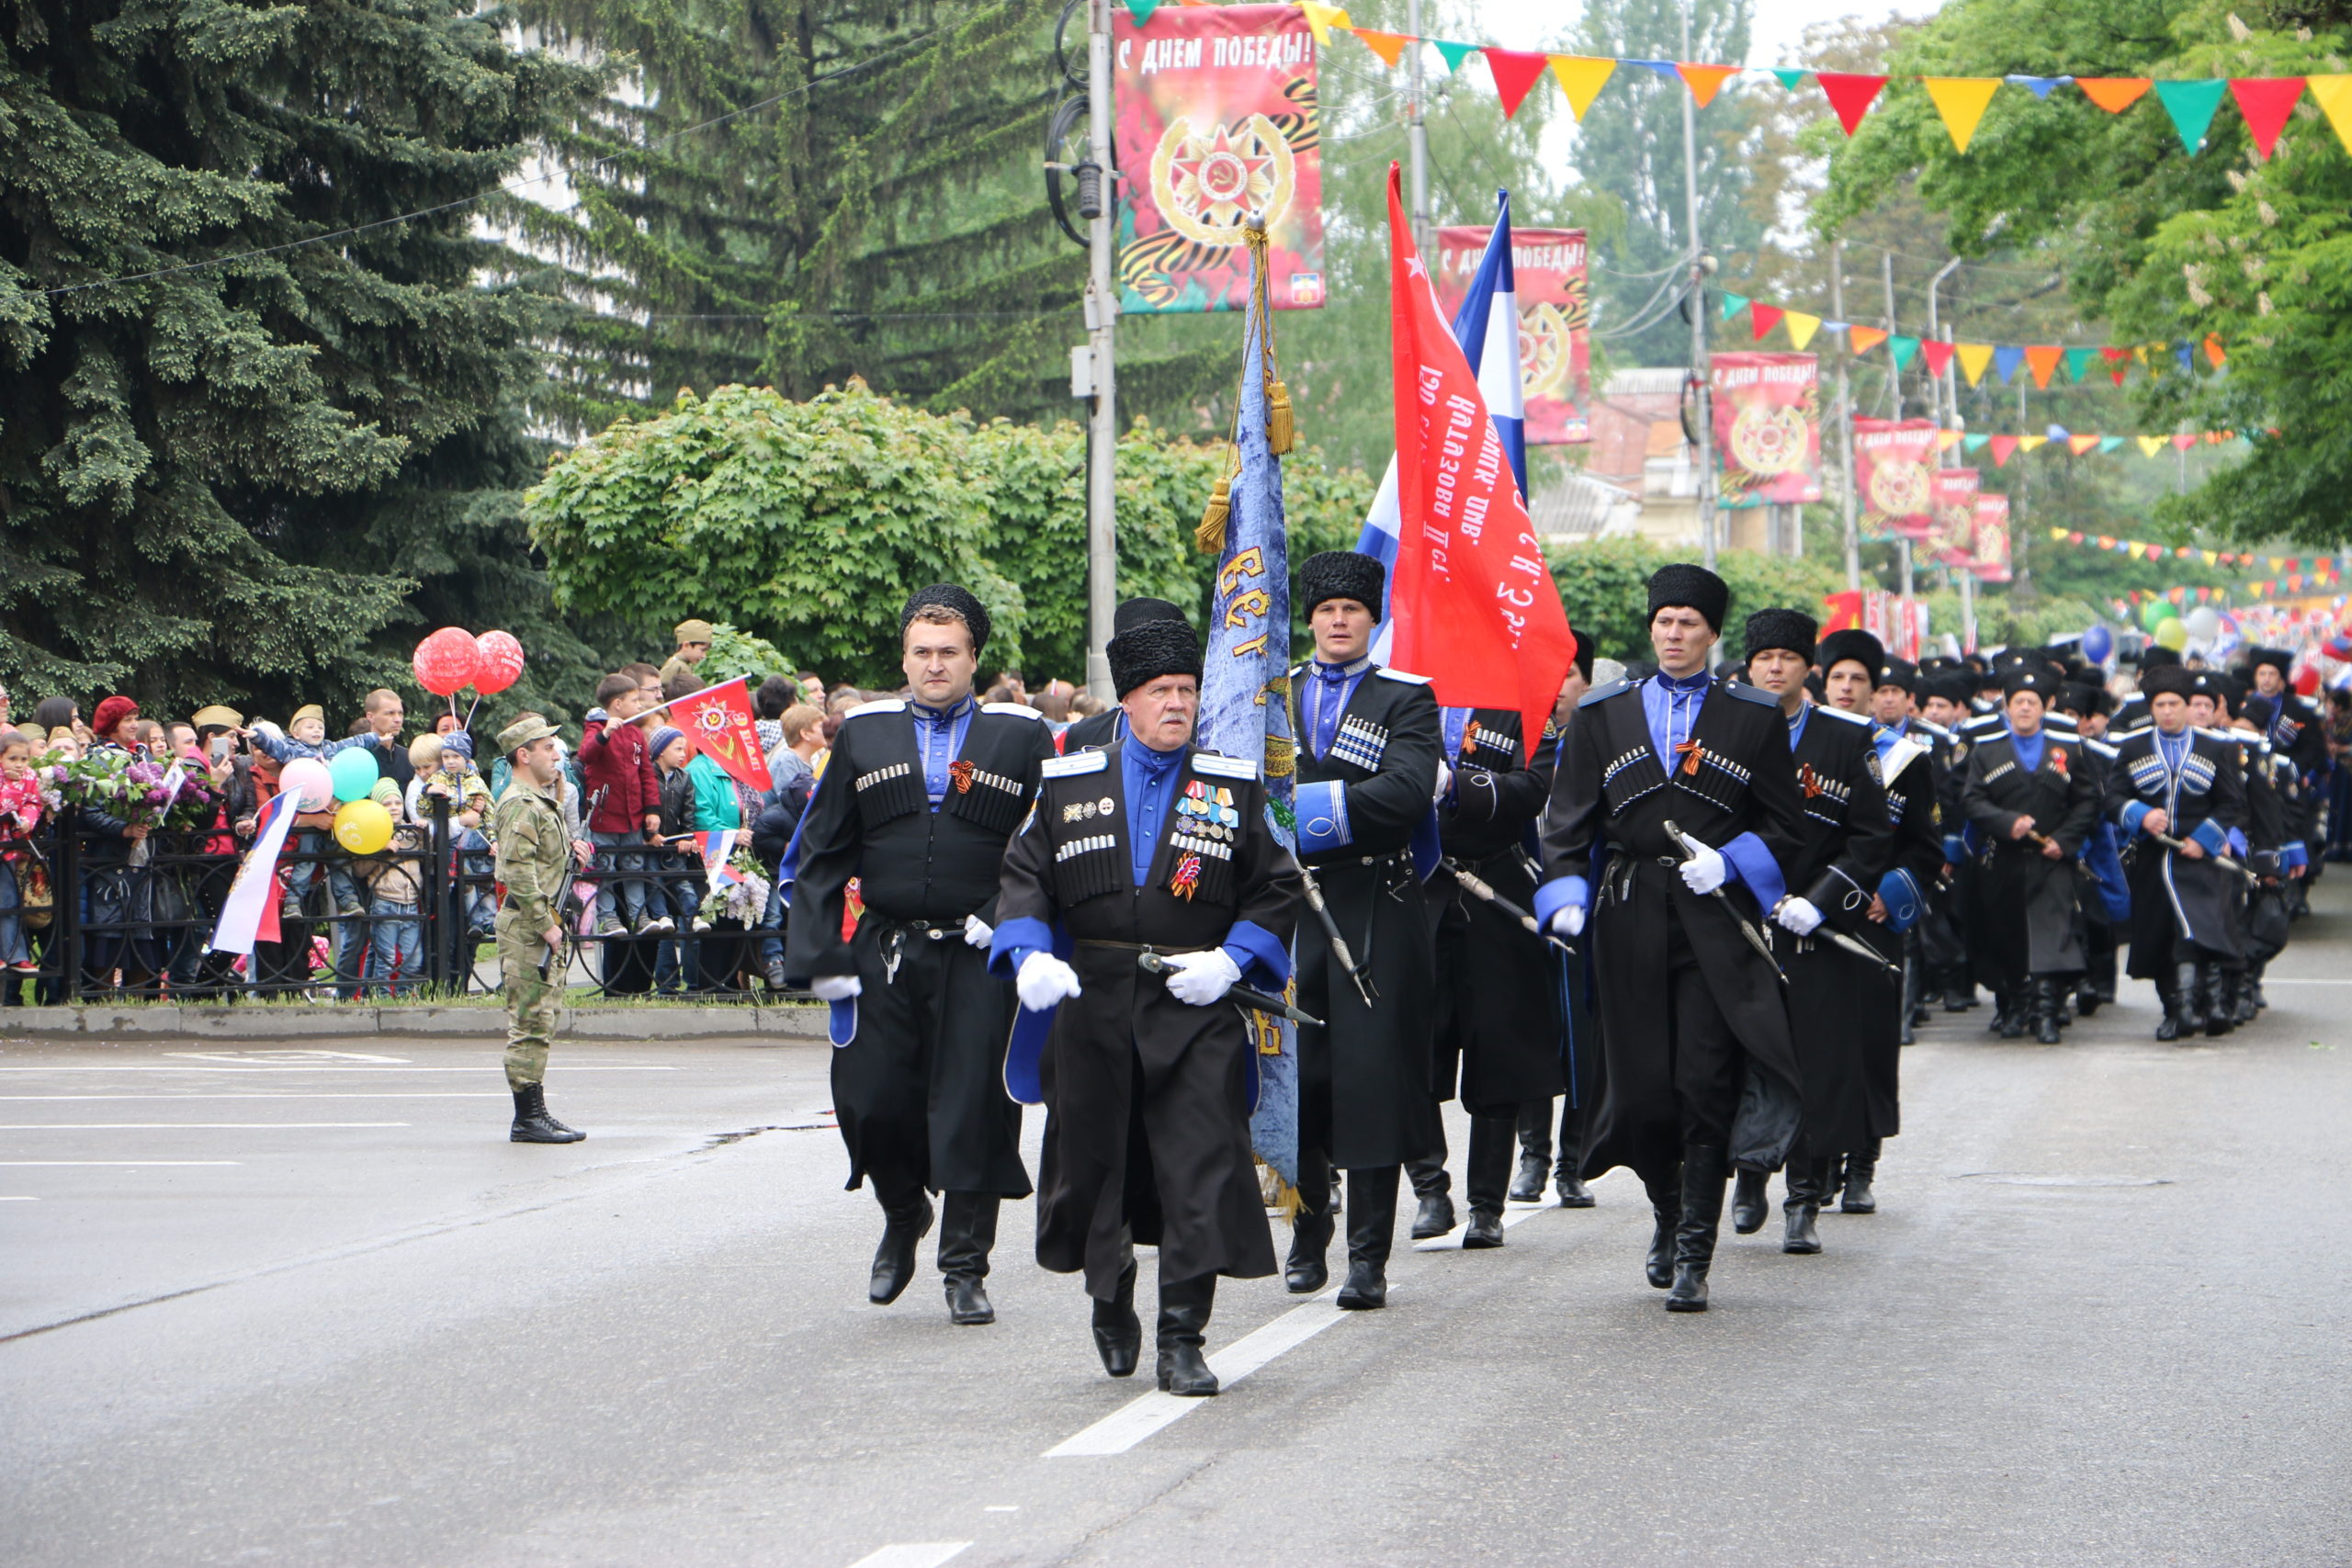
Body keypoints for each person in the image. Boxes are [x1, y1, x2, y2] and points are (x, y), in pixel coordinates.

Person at [989, 611, 1301, 1394]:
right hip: (1093, 1007)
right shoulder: (1069, 781)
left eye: (1187, 690)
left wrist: (1231, 962)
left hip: (1190, 1006)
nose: (1177, 704)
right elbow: (1025, 875)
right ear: (1125, 701)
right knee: (1100, 1168)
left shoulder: (1228, 785)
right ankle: (1112, 1288)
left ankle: (1182, 1335)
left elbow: (1275, 887)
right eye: (1160, 691)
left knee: (1198, 1166)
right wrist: (1028, 955)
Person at [1533, 564, 1806, 1313]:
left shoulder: (1753, 716)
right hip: (1629, 916)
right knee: (1646, 1093)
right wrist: (1564, 898)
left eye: (1690, 622)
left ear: (1714, 633)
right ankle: (1665, 1209)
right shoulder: (1602, 713)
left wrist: (1733, 860)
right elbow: (1566, 824)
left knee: (1703, 1084)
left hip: (1713, 920)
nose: (1676, 633)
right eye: (1665, 621)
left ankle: (1695, 1248)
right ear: (1651, 628)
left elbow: (1788, 825)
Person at [785, 585, 1056, 1325]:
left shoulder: (1022, 734)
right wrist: (817, 952)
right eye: (922, 652)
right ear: (903, 658)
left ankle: (965, 1267)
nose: (935, 665)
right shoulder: (863, 734)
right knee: (869, 1099)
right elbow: (820, 853)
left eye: (950, 652)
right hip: (886, 949)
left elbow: (1046, 848)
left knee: (973, 1105)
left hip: (978, 954)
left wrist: (1002, 918)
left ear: (974, 658)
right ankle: (904, 1211)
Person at [1283, 550, 1443, 1309]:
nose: (1339, 620)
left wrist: (1303, 817)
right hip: (1288, 907)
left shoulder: (1406, 697)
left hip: (1376, 901)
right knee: (1301, 1078)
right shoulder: (1269, 695)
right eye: (1326, 609)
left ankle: (1368, 1257)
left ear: (1372, 618)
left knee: (1372, 1083)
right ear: (1309, 617)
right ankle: (1308, 1228)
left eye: (1353, 609)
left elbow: (1408, 791)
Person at [1732, 617, 1893, 1251]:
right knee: (1745, 1054)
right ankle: (1749, 1170)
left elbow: (1871, 836)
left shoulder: (1847, 738)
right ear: (1748, 666)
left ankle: (1804, 1197)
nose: (1775, 668)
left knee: (1816, 1060)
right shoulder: (1725, 727)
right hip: (1743, 918)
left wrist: (1823, 903)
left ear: (1809, 670)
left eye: (1788, 658)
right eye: (1764, 657)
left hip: (1814, 927)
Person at [1409, 671, 1566, 1250]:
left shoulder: (1520, 700)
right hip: (1418, 887)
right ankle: (1430, 1188)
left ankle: (1486, 1205)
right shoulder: (1403, 693)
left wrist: (1457, 783)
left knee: (1498, 1050)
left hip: (1495, 885)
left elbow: (1535, 785)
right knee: (1414, 1046)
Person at [1960, 667, 2098, 1043]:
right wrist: (2006, 822)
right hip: (2003, 859)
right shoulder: (1987, 751)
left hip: (2051, 858)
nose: (2024, 708)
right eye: (2017, 701)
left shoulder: (2066, 749)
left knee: (2051, 938)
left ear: (2045, 707)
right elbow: (1971, 800)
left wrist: (2065, 841)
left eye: (2032, 703)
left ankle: (2046, 1014)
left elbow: (2086, 802)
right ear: (2006, 706)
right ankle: (2015, 1007)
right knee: (2007, 936)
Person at [1510, 639, 1600, 1210]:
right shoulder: (1512, 743)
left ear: (1585, 684)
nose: (1557, 684)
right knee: (1527, 1037)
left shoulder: (1601, 743)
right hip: (1516, 907)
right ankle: (1532, 1155)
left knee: (1580, 1039)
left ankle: (1572, 1161)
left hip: (1580, 913)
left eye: (1567, 674)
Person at [492, 716, 585, 1143]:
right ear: (524, 755)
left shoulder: (540, 800)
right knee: (529, 1023)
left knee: (542, 1021)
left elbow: (543, 863)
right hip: (529, 926)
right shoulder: (521, 803)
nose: (557, 754)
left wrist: (572, 852)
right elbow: (517, 871)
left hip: (539, 923)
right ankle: (526, 1118)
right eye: (548, 747)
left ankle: (537, 1112)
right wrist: (546, 923)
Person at [579, 674, 663, 937]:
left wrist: (652, 809)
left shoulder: (636, 733)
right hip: (605, 817)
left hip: (633, 816)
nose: (639, 705)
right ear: (617, 704)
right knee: (605, 869)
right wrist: (605, 734)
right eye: (634, 700)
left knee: (634, 867)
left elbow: (646, 774)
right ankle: (609, 919)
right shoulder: (596, 728)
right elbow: (586, 755)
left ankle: (639, 916)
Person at [660, 619, 716, 690]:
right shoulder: (675, 666)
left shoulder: (683, 665)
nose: (704, 656)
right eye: (702, 650)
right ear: (686, 646)